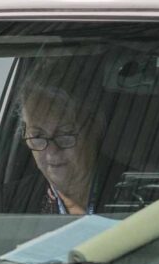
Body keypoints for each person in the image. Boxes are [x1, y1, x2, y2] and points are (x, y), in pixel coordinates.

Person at [16, 65, 101, 215]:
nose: (52, 151)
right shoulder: (8, 204)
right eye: (38, 136)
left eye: (64, 133)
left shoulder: (141, 194)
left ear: (94, 128)